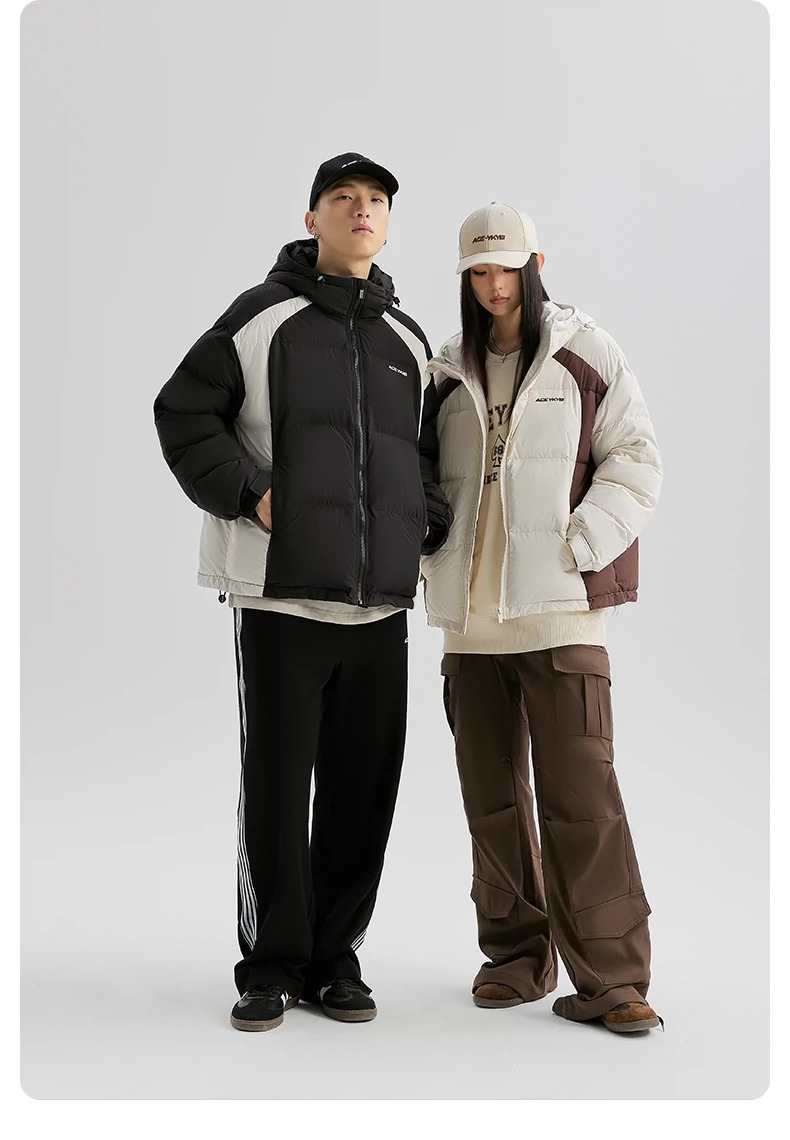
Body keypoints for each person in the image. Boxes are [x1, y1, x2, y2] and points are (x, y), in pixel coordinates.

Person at [153, 152, 452, 1032]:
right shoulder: (262, 316)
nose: (362, 210)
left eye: (376, 201)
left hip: (379, 606)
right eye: (343, 198)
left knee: (365, 789)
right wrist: (251, 492)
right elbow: (182, 411)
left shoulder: (408, 340)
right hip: (280, 597)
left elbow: (424, 454)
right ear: (312, 218)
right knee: (279, 790)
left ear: (388, 224)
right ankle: (271, 964)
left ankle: (334, 960)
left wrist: (422, 523)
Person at [419, 202, 664, 1033]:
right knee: (491, 803)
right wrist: (426, 550)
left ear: (536, 265)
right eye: (478, 272)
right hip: (470, 626)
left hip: (561, 619)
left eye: (507, 269)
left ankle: (613, 980)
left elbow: (636, 458)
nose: (494, 287)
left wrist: (578, 546)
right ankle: (515, 958)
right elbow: (422, 480)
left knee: (583, 801)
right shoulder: (445, 368)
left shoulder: (586, 350)